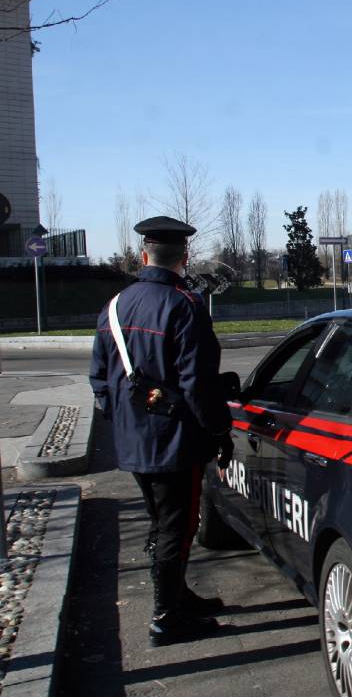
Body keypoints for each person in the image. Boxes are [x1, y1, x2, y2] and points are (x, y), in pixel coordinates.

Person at [89, 216, 235, 646]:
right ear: (184, 257)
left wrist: (123, 418)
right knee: (178, 527)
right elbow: (197, 383)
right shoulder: (184, 306)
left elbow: (98, 378)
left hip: (133, 441)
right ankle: (167, 617)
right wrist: (218, 433)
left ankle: (177, 596)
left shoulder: (114, 307)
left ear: (142, 255)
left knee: (161, 522)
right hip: (175, 441)